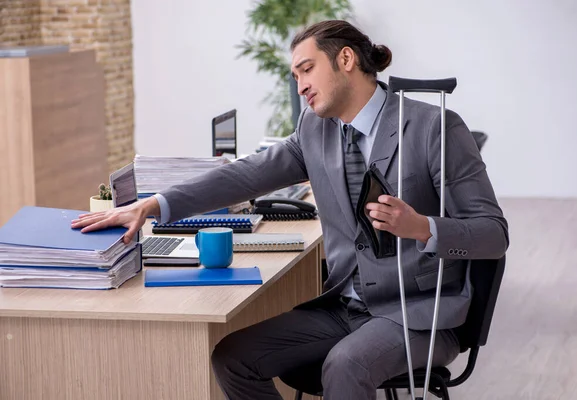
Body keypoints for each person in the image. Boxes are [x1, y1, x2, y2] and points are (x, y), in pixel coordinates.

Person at [72, 20, 509, 400]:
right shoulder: (314, 129)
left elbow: (493, 233)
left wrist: (422, 227)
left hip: (418, 313)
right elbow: (242, 176)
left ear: (345, 60)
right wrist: (151, 205)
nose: (299, 84)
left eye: (306, 69)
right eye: (295, 74)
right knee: (233, 358)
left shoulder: (433, 127)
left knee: (346, 366)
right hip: (347, 306)